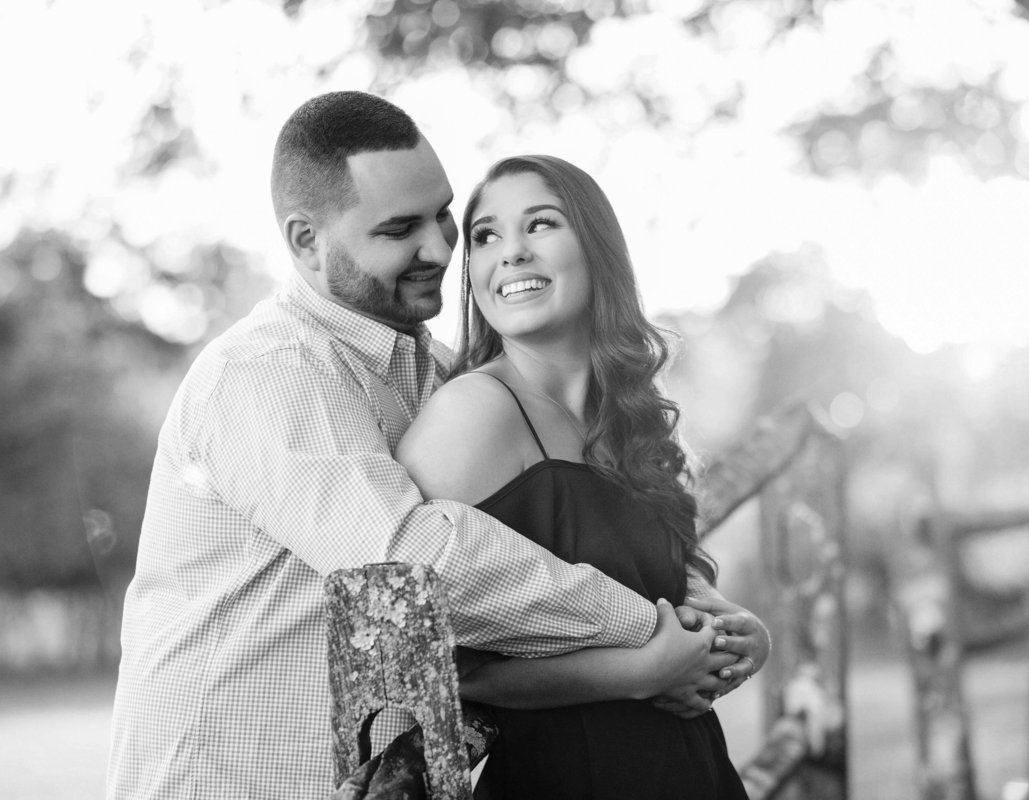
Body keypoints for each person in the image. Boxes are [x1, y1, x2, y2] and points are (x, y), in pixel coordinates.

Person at [107, 91, 765, 799]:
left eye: (444, 215)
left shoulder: (433, 370)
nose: (439, 249)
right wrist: (654, 635)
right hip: (236, 779)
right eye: (399, 230)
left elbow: (573, 535)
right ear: (305, 242)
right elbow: (410, 564)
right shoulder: (269, 373)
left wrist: (712, 617)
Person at [396, 154, 755, 798]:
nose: (510, 253)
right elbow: (438, 660)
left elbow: (656, 583)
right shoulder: (473, 413)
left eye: (540, 224)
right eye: (486, 236)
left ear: (596, 249)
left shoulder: (629, 418)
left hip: (691, 769)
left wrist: (735, 629)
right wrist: (638, 672)